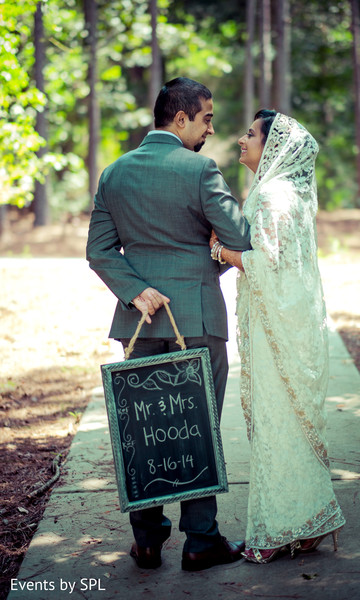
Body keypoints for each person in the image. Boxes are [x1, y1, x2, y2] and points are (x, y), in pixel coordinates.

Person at [86, 77, 251, 571]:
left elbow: (98, 251)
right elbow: (238, 237)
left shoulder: (114, 173)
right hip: (197, 316)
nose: (210, 128)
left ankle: (149, 541)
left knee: (143, 430)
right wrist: (209, 262)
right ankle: (201, 541)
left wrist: (137, 290)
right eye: (206, 118)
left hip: (139, 322)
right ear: (180, 118)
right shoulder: (200, 169)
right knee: (197, 428)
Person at [210, 110, 345, 563]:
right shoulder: (286, 192)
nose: (241, 140)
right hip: (285, 321)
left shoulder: (271, 195)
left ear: (273, 146)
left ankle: (276, 531)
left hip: (276, 330)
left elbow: (267, 264)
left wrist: (220, 250)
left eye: (250, 134)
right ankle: (308, 521)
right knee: (286, 422)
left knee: (275, 425)